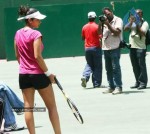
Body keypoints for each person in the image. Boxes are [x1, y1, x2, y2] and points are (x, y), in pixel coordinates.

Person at [14, 5, 61, 134]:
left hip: (23, 75)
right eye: (37, 19)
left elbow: (18, 56)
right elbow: (37, 56)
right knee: (52, 107)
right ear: (30, 20)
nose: (40, 21)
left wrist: (25, 67)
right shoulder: (36, 34)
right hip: (38, 74)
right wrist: (49, 74)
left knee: (28, 108)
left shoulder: (17, 33)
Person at [98, 7, 123, 94]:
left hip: (115, 48)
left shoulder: (118, 20)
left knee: (116, 68)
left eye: (108, 14)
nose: (107, 15)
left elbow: (117, 32)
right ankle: (111, 86)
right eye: (106, 14)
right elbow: (99, 33)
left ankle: (118, 87)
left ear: (111, 12)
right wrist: (100, 24)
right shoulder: (104, 21)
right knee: (108, 69)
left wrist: (108, 24)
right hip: (106, 48)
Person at [124, 9, 149, 89]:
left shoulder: (144, 23)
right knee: (135, 66)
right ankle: (137, 82)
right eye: (136, 14)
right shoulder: (132, 22)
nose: (136, 15)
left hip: (141, 47)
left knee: (141, 65)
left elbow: (142, 32)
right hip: (132, 47)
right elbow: (125, 29)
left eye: (138, 14)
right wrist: (131, 22)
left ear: (141, 14)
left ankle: (143, 83)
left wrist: (137, 23)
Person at [81, 11, 103, 88]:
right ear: (95, 17)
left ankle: (85, 76)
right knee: (97, 65)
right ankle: (96, 83)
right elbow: (101, 37)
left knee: (89, 63)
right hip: (96, 48)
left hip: (87, 49)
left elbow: (83, 38)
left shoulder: (84, 27)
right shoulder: (97, 27)